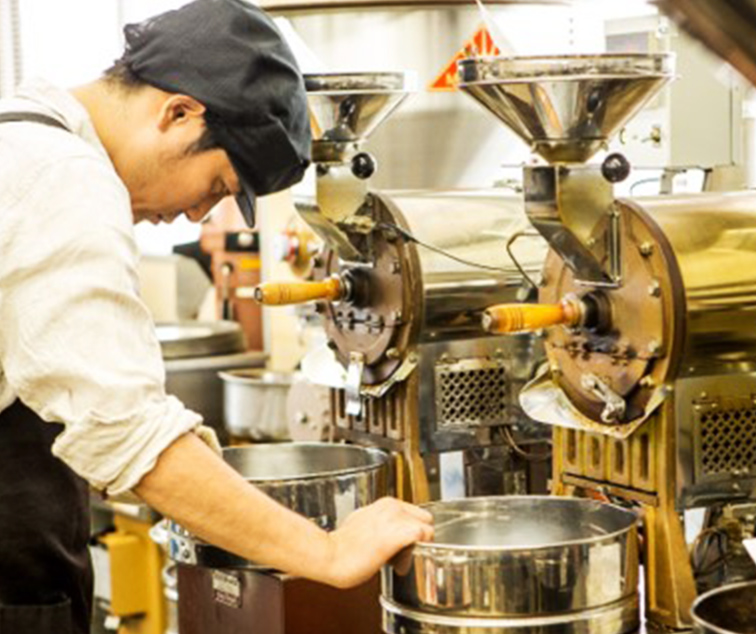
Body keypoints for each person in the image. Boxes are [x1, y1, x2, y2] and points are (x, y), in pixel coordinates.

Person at [0, 1, 433, 632]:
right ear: (178, 113)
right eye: (217, 186)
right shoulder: (64, 181)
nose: (199, 215)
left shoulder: (20, 136)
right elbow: (128, 434)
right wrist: (331, 552)